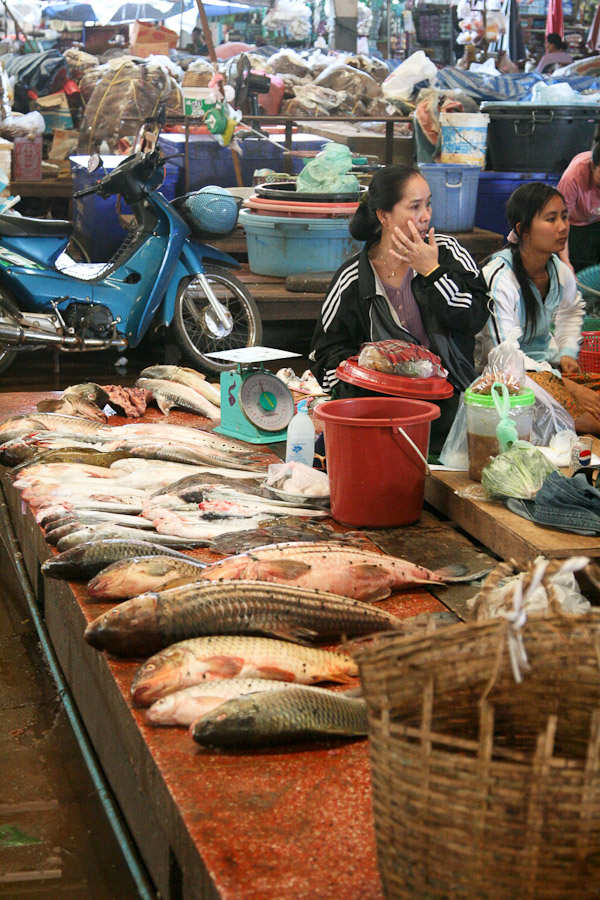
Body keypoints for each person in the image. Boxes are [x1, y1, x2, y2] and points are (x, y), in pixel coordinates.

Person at [309, 164, 491, 452]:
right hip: (379, 407)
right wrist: (363, 376)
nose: (426, 216)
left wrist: (432, 272)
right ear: (384, 215)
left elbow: (474, 316)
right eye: (415, 207)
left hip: (448, 402)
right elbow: (324, 353)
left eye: (428, 204)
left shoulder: (447, 253)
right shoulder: (353, 278)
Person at [478, 181, 600, 435]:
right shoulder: (499, 277)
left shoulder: (559, 271)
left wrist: (566, 352)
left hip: (547, 371)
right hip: (504, 378)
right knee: (590, 417)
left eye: (564, 217)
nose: (563, 227)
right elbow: (504, 359)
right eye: (551, 219)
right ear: (524, 230)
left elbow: (572, 310)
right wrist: (570, 387)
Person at [557, 138, 600, 272]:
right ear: (592, 166)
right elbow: (559, 223)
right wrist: (566, 264)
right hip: (575, 224)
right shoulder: (572, 178)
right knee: (576, 269)